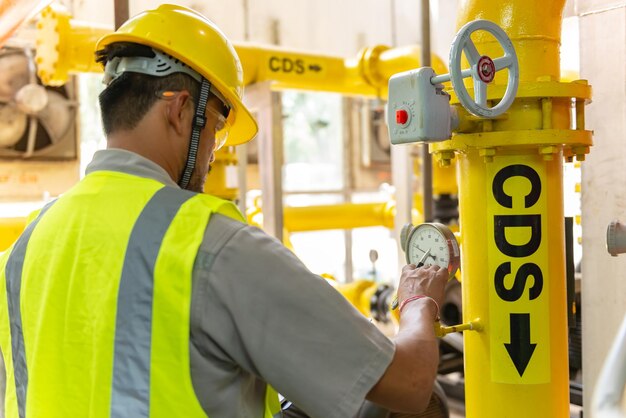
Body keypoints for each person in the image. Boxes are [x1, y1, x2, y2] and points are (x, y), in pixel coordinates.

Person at [0, 4, 449, 418]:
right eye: (216, 125)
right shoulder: (208, 243)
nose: (215, 152)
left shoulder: (23, 249)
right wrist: (417, 298)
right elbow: (408, 381)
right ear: (180, 111)